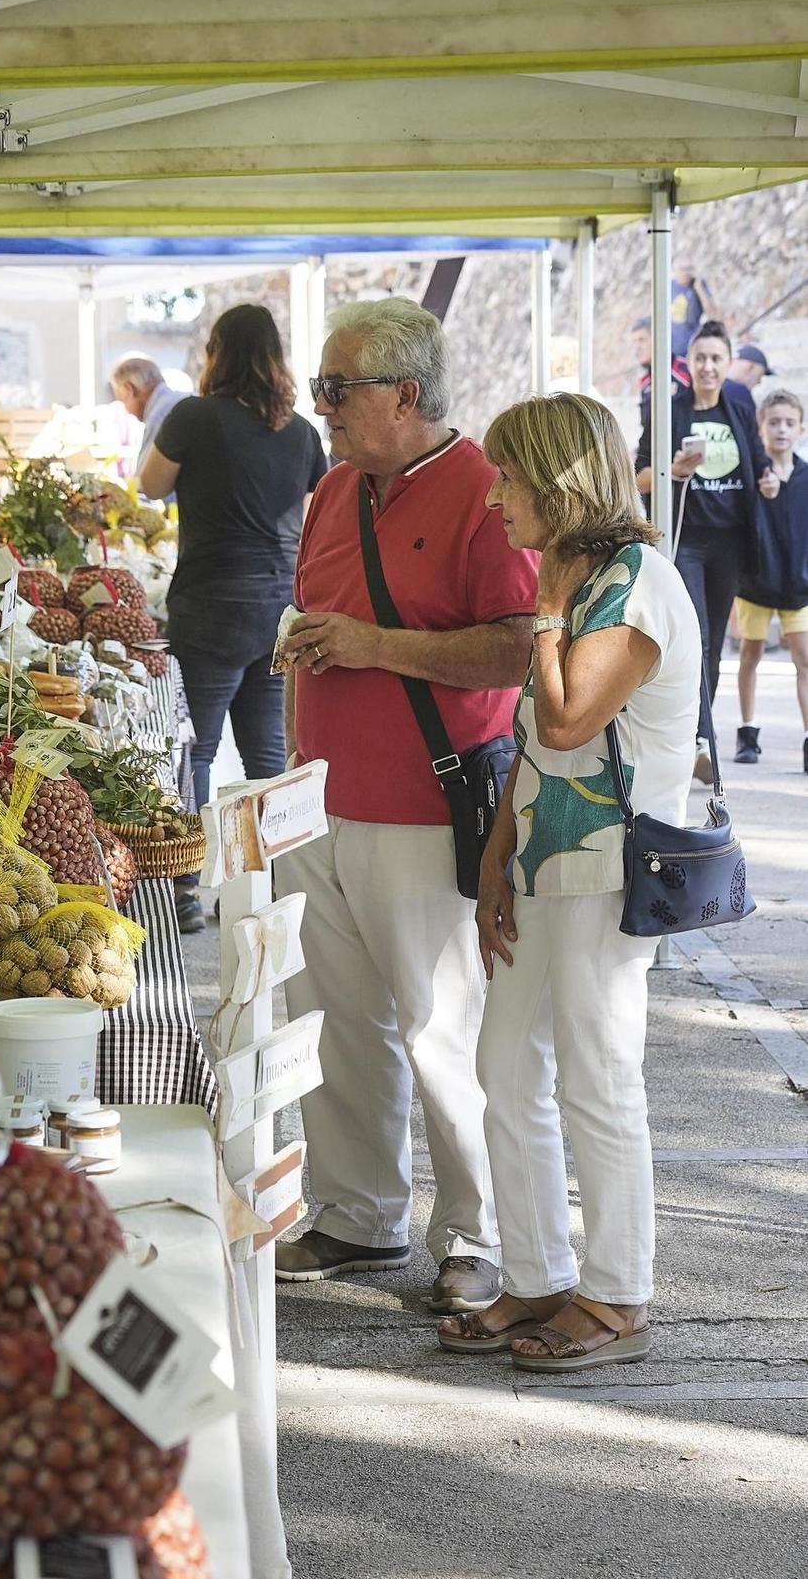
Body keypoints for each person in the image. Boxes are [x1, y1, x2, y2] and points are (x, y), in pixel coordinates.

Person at [271, 298, 538, 1313]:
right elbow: (324, 610)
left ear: (407, 393)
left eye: (339, 389)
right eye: (320, 388)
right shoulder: (334, 487)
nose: (322, 406)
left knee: (443, 1029)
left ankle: (477, 1233)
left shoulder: (482, 489)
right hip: (319, 799)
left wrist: (372, 645)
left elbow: (517, 644)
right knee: (334, 1020)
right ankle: (355, 1211)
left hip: (427, 807)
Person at [439, 391, 701, 1369]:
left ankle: (618, 1292)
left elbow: (562, 723)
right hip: (547, 859)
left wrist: (544, 609)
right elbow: (527, 743)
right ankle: (539, 1274)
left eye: (508, 477)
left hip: (610, 867)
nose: (494, 497)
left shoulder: (629, 582)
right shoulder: (580, 570)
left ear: (556, 480)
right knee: (506, 1067)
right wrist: (496, 852)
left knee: (597, 1074)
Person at [138, 306, 327, 934]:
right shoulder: (301, 431)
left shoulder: (193, 417)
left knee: (198, 748)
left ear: (216, 353)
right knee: (266, 754)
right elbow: (316, 509)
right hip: (278, 605)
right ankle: (268, 887)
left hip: (210, 604)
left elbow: (148, 483)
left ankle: (186, 891)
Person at [635, 319, 778, 766]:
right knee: (693, 634)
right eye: (701, 358)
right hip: (687, 540)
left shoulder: (739, 405)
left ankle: (699, 735)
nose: (709, 367)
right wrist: (671, 472)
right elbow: (639, 473)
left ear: (729, 363)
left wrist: (768, 481)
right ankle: (694, 740)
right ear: (688, 363)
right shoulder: (668, 408)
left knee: (714, 642)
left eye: (717, 358)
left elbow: (758, 466)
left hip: (731, 543)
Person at [733, 389, 808, 769]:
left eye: (789, 423)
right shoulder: (754, 477)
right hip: (757, 585)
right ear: (761, 428)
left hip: (799, 585)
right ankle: (748, 733)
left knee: (804, 658)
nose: (781, 429)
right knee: (751, 654)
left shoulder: (806, 476)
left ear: (801, 428)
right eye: (773, 422)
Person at [112, 357, 186, 477]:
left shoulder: (159, 415)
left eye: (123, 400)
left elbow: (144, 482)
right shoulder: (181, 399)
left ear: (129, 389)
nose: (127, 411)